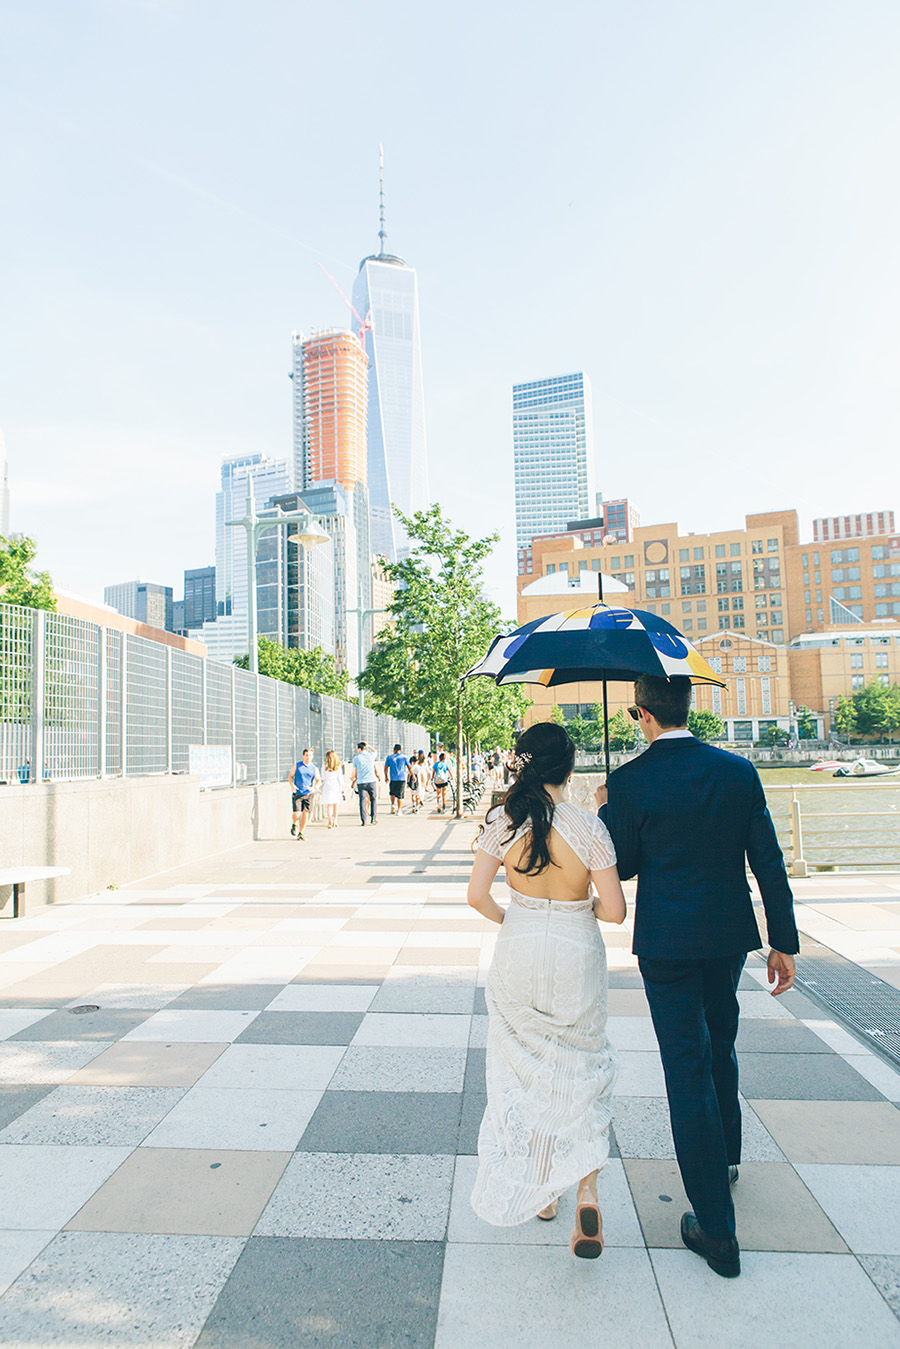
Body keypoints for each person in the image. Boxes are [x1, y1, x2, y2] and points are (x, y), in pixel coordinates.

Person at [597, 674, 799, 1280]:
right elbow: (767, 858)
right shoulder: (738, 772)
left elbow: (625, 866)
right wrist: (782, 942)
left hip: (666, 941)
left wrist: (611, 809)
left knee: (686, 1066)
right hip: (727, 935)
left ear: (641, 715)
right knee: (722, 1042)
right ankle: (727, 1158)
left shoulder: (632, 779)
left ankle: (715, 1227)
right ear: (687, 708)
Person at [467, 721, 625, 1258]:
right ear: (569, 767)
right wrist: (582, 907)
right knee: (584, 1066)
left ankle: (543, 1192)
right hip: (576, 951)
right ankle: (586, 1188)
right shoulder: (589, 826)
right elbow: (617, 911)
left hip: (519, 946)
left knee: (525, 1068)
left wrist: (517, 916)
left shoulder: (502, 823)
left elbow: (476, 897)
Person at [289, 748, 320, 840]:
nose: (308, 757)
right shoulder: (297, 766)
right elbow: (290, 776)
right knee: (297, 814)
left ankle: (301, 833)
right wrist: (292, 785)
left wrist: (314, 788)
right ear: (303, 756)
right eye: (306, 755)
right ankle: (294, 823)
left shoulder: (314, 768)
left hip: (308, 794)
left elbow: (318, 780)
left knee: (305, 813)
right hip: (298, 793)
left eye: (310, 755)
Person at [351, 740, 381, 826]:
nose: (357, 751)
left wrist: (352, 779)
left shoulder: (356, 758)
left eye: (357, 749)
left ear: (360, 749)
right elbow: (375, 751)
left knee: (362, 801)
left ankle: (364, 820)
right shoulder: (371, 756)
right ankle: (373, 818)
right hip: (372, 781)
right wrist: (368, 745)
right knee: (373, 799)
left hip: (361, 782)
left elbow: (354, 771)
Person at [320, 750, 346, 829]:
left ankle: (329, 821)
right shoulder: (338, 766)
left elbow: (323, 778)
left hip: (327, 786)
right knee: (336, 803)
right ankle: (335, 820)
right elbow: (340, 779)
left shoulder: (324, 766)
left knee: (329, 804)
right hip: (336, 785)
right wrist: (342, 788)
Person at [384, 743, 410, 816]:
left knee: (392, 793)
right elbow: (409, 766)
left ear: (394, 750)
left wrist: (386, 776)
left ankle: (392, 805)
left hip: (393, 778)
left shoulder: (389, 757)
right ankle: (399, 810)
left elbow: (386, 768)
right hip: (401, 778)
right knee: (400, 795)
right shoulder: (404, 757)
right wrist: (412, 775)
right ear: (400, 750)